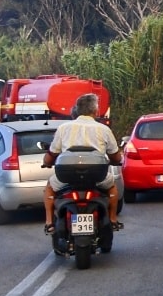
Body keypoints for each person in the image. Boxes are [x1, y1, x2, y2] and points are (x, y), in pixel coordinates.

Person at [42, 93, 123, 232]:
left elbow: (51, 155)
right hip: (97, 176)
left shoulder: (64, 128)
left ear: (77, 110)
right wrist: (115, 160)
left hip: (67, 176)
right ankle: (113, 219)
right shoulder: (103, 129)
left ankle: (49, 222)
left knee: (50, 187)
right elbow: (116, 158)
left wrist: (47, 162)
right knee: (112, 188)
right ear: (95, 111)